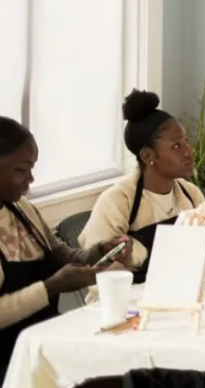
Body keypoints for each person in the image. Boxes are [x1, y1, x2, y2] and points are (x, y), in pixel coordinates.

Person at [0, 117, 131, 381]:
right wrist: (51, 288)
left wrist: (99, 252)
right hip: (10, 362)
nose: (30, 179)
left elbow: (62, 256)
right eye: (21, 170)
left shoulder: (21, 208)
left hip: (46, 345)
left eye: (32, 169)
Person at [80, 89, 205, 283]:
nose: (189, 152)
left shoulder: (191, 195)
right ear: (148, 156)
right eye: (176, 146)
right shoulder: (117, 201)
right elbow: (100, 280)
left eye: (186, 142)